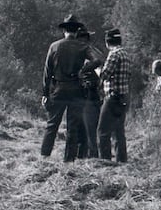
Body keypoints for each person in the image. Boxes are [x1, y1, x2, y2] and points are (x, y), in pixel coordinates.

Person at [41, 14, 102, 162]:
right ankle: (68, 161)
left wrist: (45, 93)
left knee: (52, 125)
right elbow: (98, 60)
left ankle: (44, 157)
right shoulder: (83, 46)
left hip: (58, 89)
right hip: (76, 90)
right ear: (76, 31)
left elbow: (47, 72)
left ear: (64, 31)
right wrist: (84, 70)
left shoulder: (54, 46)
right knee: (73, 128)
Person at [97, 28, 132, 162]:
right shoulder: (125, 54)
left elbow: (104, 75)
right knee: (119, 132)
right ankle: (122, 161)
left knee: (103, 131)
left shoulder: (113, 54)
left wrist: (96, 67)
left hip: (112, 97)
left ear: (107, 42)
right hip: (123, 97)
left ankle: (105, 162)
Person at [76, 27, 104, 159]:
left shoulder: (91, 53)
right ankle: (84, 155)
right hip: (85, 93)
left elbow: (99, 68)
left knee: (89, 126)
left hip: (90, 93)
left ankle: (92, 156)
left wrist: (83, 71)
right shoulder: (83, 52)